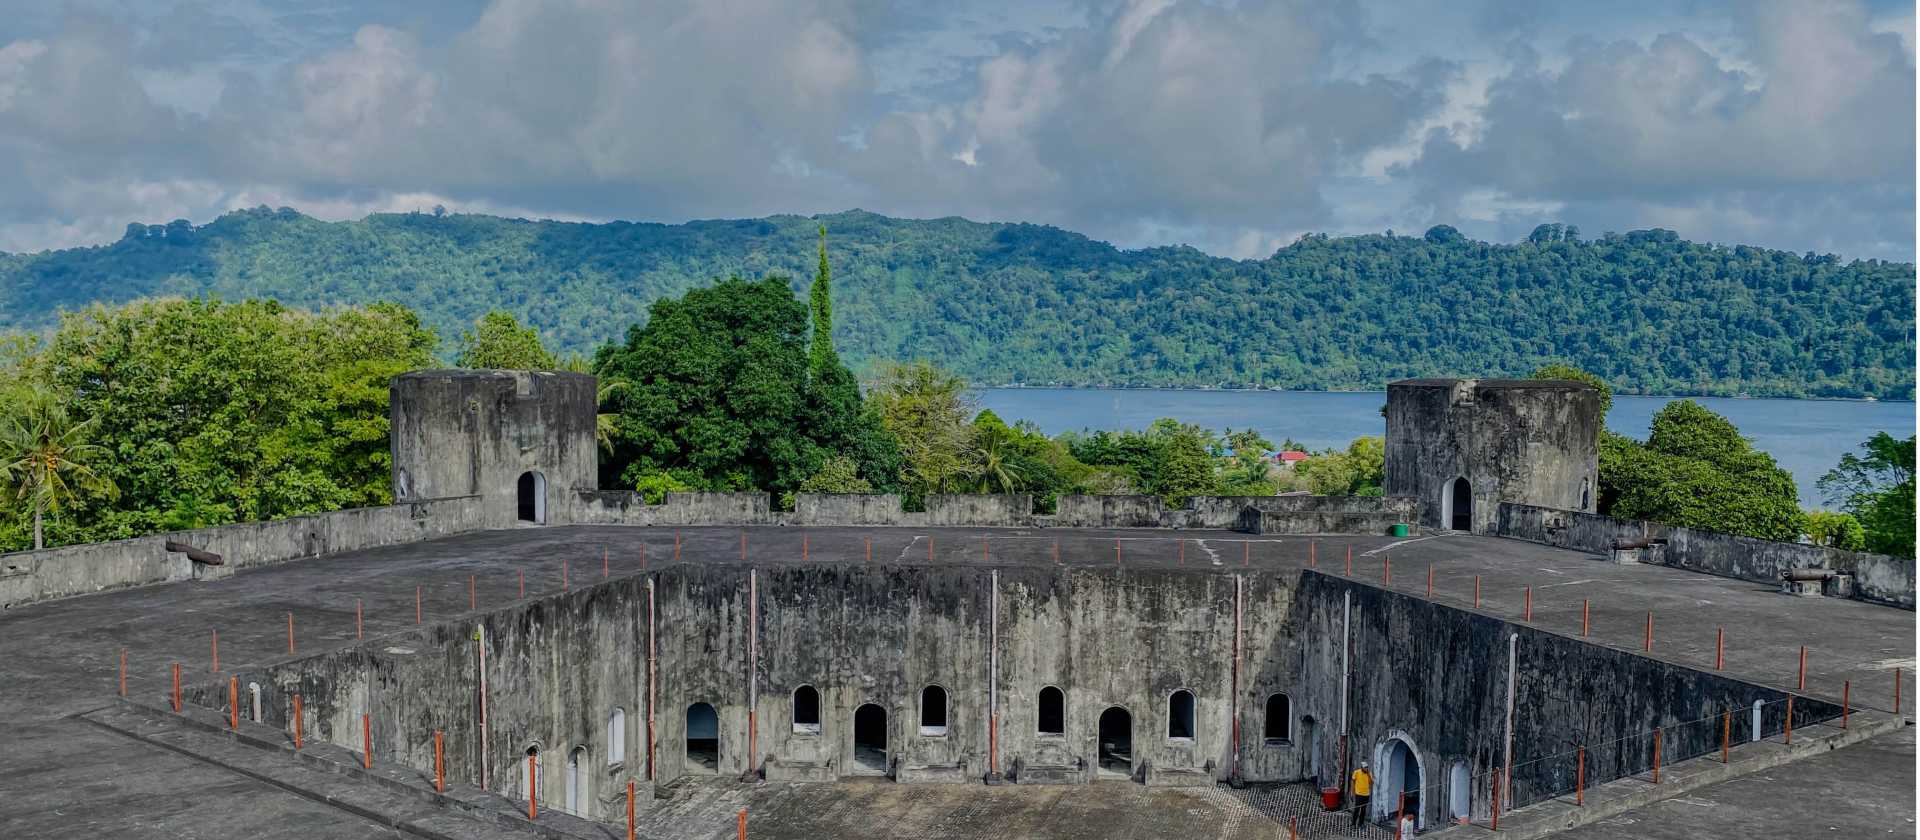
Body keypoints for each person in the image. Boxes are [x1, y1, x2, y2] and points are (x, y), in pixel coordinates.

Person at [1350, 760, 1374, 829]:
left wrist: (1369, 775)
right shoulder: (1356, 772)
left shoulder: (1369, 773)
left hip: (1366, 794)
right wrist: (1352, 792)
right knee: (1357, 809)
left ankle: (1361, 823)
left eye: (1367, 767)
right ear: (1362, 768)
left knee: (1363, 810)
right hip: (1359, 794)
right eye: (1365, 767)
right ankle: (1353, 823)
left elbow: (1372, 783)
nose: (1366, 769)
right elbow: (1353, 782)